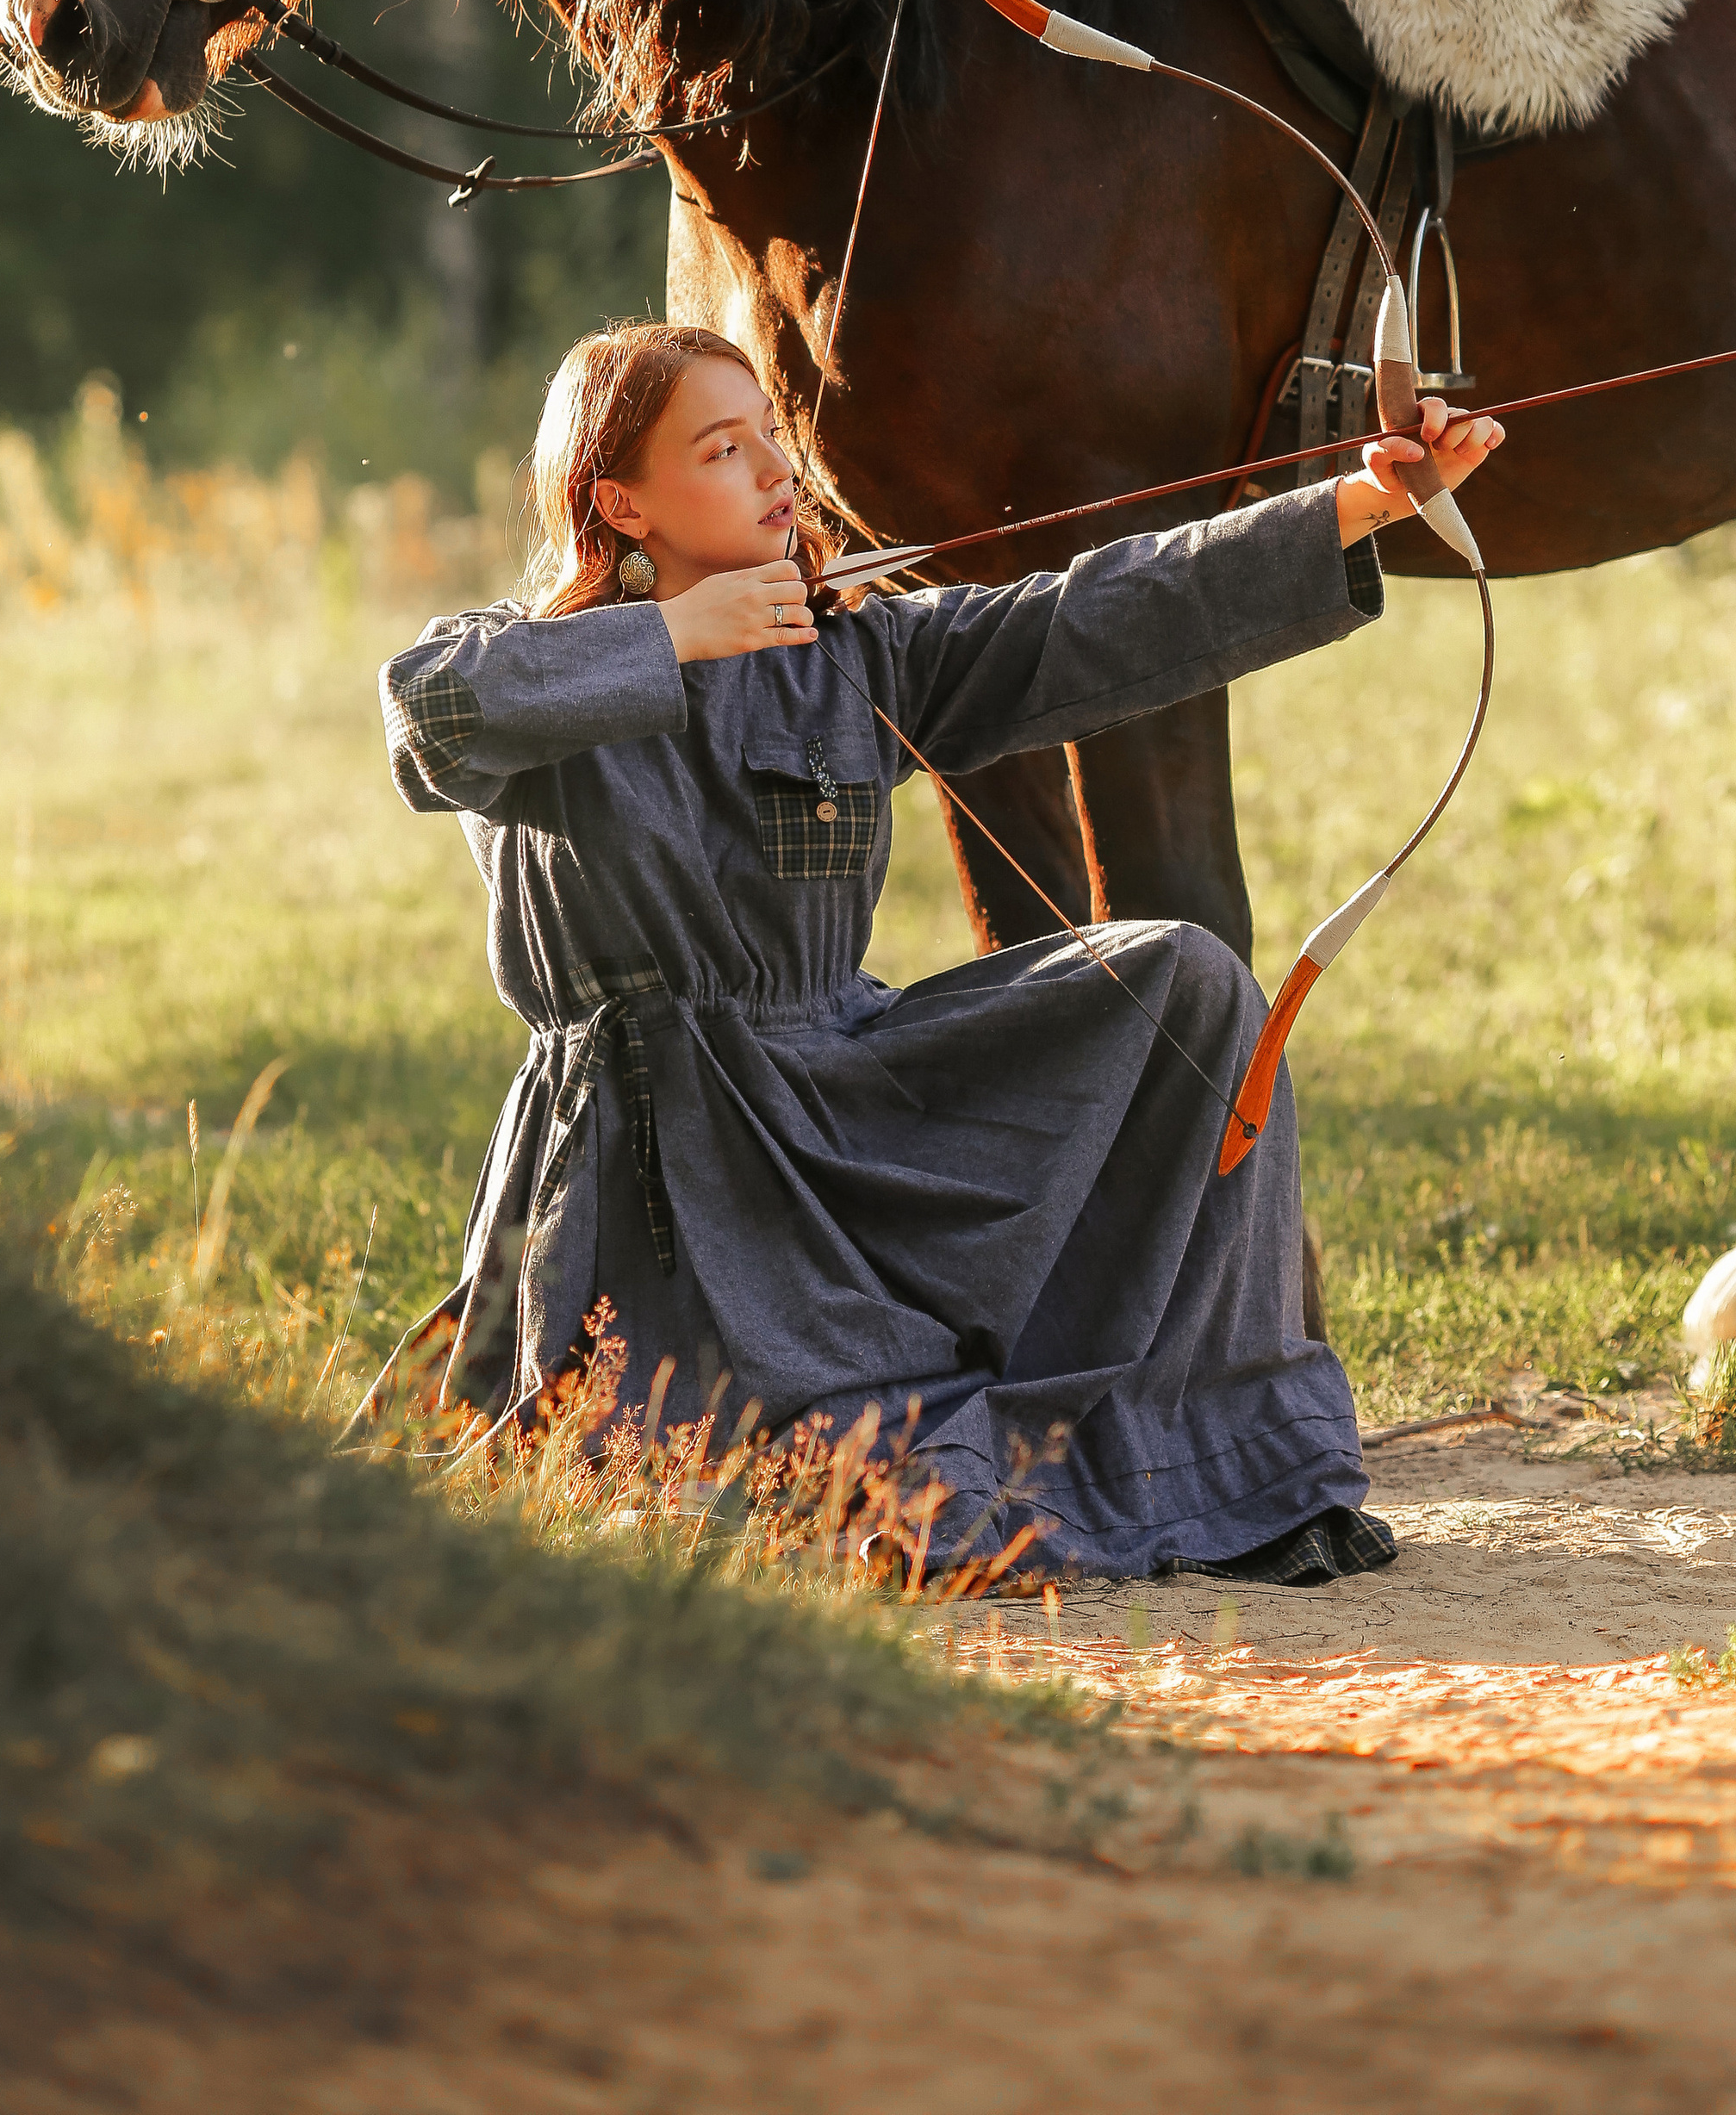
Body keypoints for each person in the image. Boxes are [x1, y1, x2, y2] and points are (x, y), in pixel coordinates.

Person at [370, 320, 1501, 1583]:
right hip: (673, 1172)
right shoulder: (525, 660)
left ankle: (1225, 1456)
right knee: (883, 1483)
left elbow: (1086, 617)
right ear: (621, 501)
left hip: (843, 1104)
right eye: (722, 448)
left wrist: (1358, 503)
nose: (772, 472)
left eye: (770, 440)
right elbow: (434, 706)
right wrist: (679, 637)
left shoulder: (849, 652)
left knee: (1185, 982)